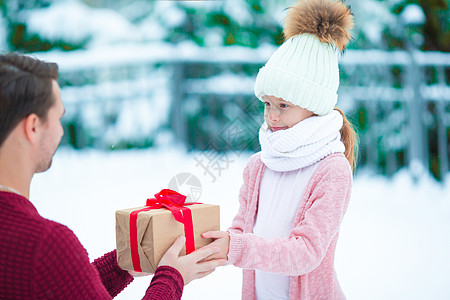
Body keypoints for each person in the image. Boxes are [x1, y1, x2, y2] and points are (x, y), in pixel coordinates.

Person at [0, 52, 226, 300]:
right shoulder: (46, 245)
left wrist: (123, 264)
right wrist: (172, 278)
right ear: (33, 127)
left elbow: (63, 290)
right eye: (58, 118)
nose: (61, 131)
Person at [202, 0, 358, 299]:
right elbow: (242, 230)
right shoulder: (260, 165)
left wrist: (236, 247)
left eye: (284, 106)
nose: (272, 116)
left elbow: (305, 252)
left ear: (313, 106)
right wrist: (213, 243)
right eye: (267, 104)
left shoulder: (331, 170)